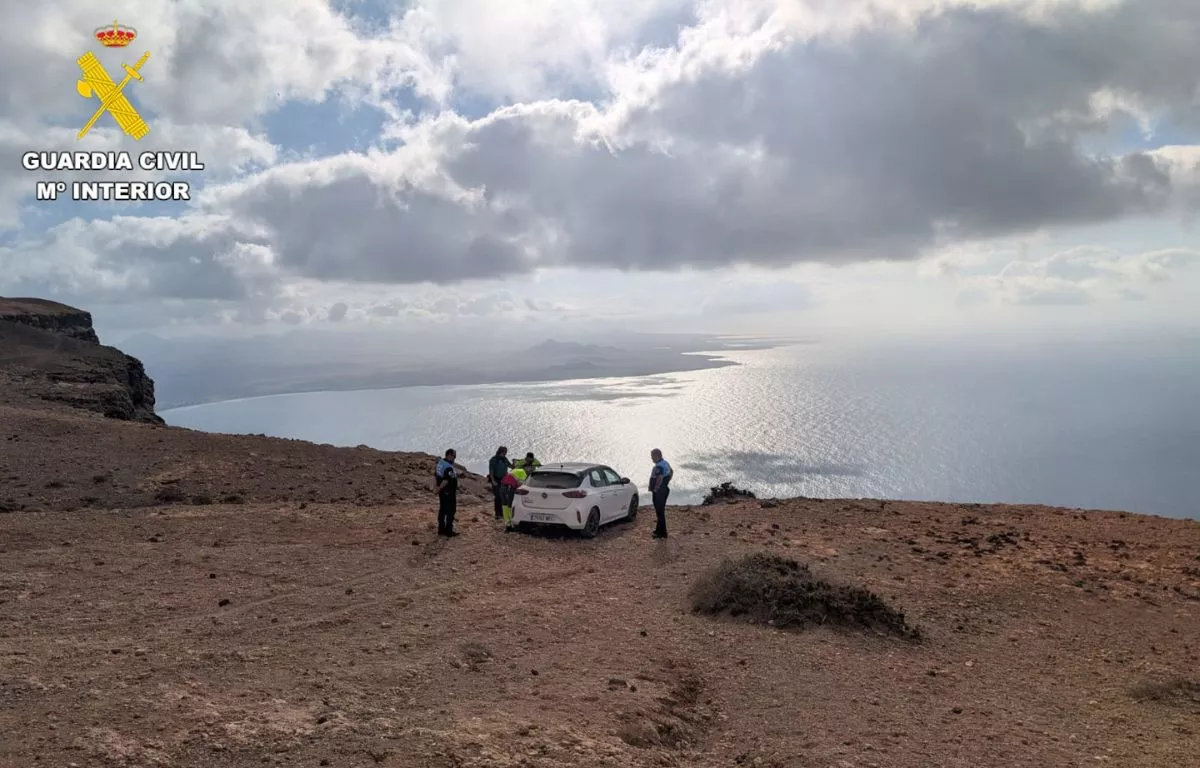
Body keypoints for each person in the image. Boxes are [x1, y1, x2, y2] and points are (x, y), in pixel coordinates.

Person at [434, 449, 460, 537]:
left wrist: (437, 487)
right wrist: (439, 488)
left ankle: (441, 529)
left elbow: (436, 476)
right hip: (448, 491)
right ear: (449, 455)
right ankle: (449, 531)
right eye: (454, 456)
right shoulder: (448, 466)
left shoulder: (440, 463)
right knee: (450, 510)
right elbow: (446, 480)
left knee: (442, 510)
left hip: (442, 491)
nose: (455, 458)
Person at [649, 448, 672, 539]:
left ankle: (662, 533)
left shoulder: (658, 467)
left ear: (657, 456)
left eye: (652, 457)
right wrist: (666, 483)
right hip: (665, 489)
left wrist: (655, 489)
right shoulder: (666, 463)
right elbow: (671, 472)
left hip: (659, 492)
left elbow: (658, 479)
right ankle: (658, 530)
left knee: (660, 512)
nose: (651, 459)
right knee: (660, 511)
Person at [488, 446, 511, 521]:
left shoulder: (504, 459)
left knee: (503, 496)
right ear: (501, 451)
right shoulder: (494, 460)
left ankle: (502, 513)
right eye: (505, 452)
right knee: (498, 497)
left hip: (504, 480)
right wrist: (493, 481)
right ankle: (497, 514)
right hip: (496, 480)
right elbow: (491, 471)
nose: (506, 453)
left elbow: (511, 466)